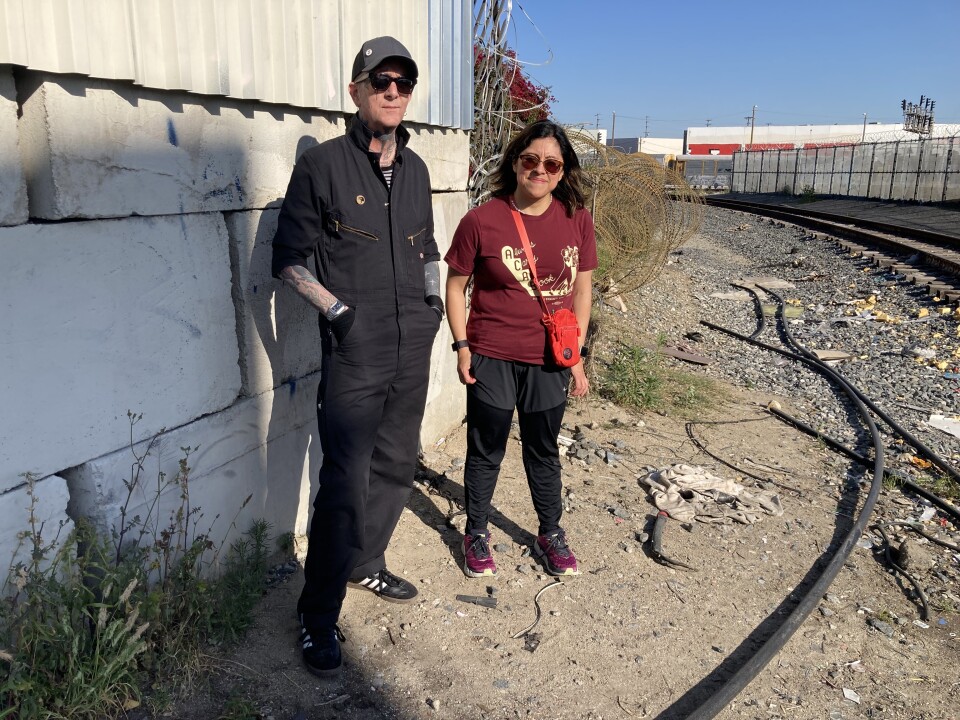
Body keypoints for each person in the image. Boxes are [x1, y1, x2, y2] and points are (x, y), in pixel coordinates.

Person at [271, 36, 442, 676]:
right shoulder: (323, 166)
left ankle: (368, 564)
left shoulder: (420, 170)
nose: (393, 92)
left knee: (398, 465)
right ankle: (318, 617)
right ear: (356, 90)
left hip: (412, 350)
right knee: (344, 481)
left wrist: (431, 311)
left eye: (403, 83)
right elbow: (286, 261)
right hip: (356, 354)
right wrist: (339, 314)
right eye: (381, 82)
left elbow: (429, 250)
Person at [444, 120, 597, 580]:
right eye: (530, 160)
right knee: (486, 447)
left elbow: (583, 291)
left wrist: (577, 355)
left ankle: (550, 532)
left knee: (543, 449)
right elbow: (455, 286)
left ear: (563, 170)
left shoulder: (577, 220)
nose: (540, 170)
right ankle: (476, 531)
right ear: (515, 163)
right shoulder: (482, 220)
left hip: (550, 358)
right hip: (491, 353)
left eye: (552, 163)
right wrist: (462, 345)